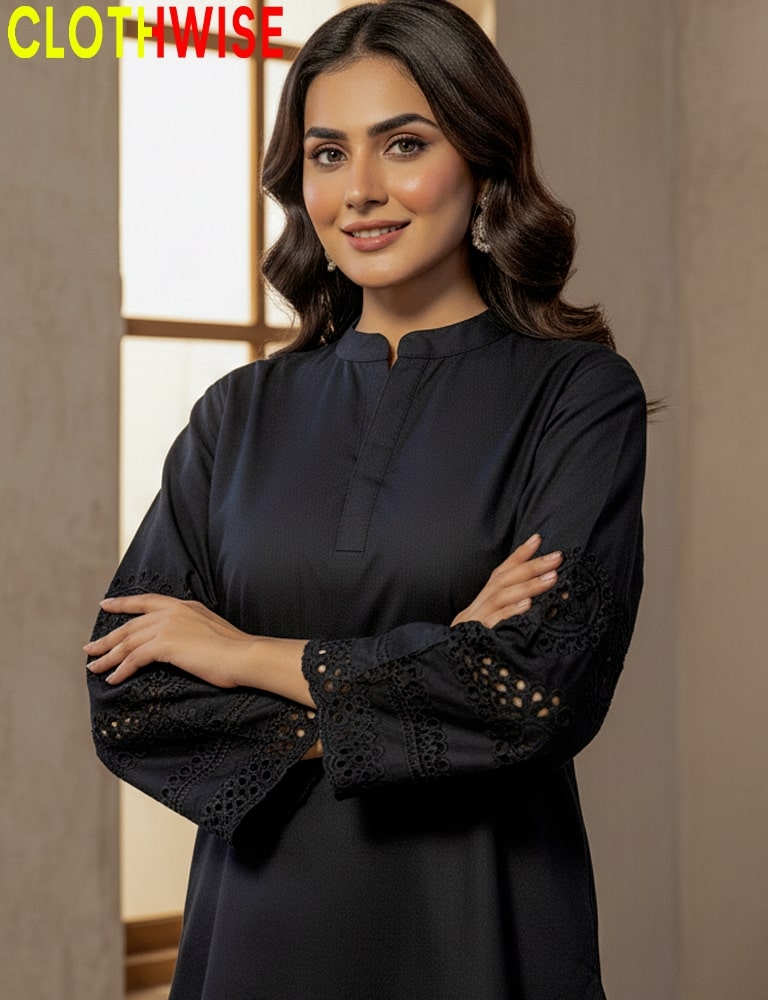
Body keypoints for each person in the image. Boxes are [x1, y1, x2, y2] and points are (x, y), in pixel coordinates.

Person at [86, 2, 646, 998]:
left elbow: (535, 691)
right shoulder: (235, 416)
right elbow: (136, 701)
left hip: (480, 930)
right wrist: (435, 655)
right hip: (254, 937)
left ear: (480, 157)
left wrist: (242, 654)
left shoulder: (576, 397)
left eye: (404, 144)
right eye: (328, 153)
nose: (363, 190)